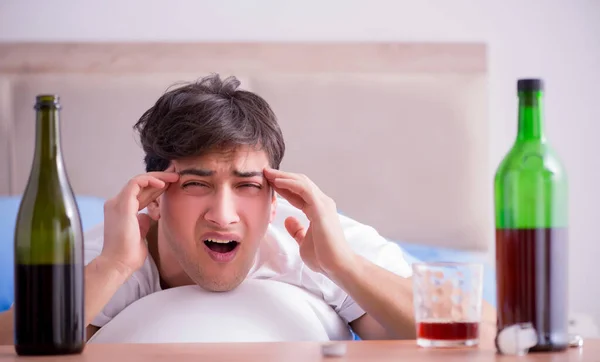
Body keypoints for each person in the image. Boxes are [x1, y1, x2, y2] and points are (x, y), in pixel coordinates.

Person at [0, 74, 495, 345]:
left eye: (247, 186)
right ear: (155, 193)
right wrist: (112, 267)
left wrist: (343, 265)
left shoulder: (313, 239)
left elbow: (490, 331)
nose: (224, 214)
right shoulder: (113, 251)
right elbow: (8, 345)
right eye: (196, 184)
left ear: (275, 194)